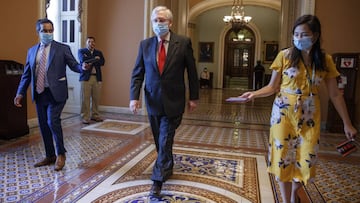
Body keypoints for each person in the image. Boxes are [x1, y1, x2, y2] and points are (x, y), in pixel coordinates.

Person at [232, 15, 357, 203]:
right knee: (282, 158)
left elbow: (335, 95)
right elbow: (272, 87)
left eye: (304, 34)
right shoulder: (285, 56)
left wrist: (347, 123)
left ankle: (294, 192)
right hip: (283, 114)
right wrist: (253, 94)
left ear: (314, 36)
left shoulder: (325, 60)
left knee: (307, 158)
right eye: (296, 34)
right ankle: (287, 200)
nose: (299, 38)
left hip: (310, 115)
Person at [129, 6, 199, 197]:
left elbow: (192, 72)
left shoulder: (183, 43)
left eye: (162, 20)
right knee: (161, 141)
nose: (158, 24)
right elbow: (138, 73)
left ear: (170, 22)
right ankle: (166, 165)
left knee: (165, 137)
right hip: (153, 100)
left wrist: (194, 97)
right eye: (155, 20)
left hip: (174, 100)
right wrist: (134, 97)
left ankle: (157, 180)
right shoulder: (145, 45)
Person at [14, 18, 89, 171]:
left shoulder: (62, 48)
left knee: (52, 121)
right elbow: (27, 74)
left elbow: (74, 65)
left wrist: (83, 67)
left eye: (50, 30)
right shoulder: (32, 51)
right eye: (44, 31)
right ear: (38, 32)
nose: (48, 33)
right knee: (43, 126)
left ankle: (61, 154)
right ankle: (50, 155)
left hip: (57, 93)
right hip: (40, 93)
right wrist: (20, 92)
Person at [78, 37, 105, 124]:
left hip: (96, 77)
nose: (91, 43)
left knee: (96, 98)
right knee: (85, 98)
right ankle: (85, 117)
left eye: (93, 42)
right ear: (86, 43)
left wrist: (91, 60)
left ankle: (95, 115)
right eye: (89, 42)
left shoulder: (99, 52)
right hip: (86, 78)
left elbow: (102, 62)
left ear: (95, 43)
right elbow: (83, 60)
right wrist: (95, 59)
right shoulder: (81, 51)